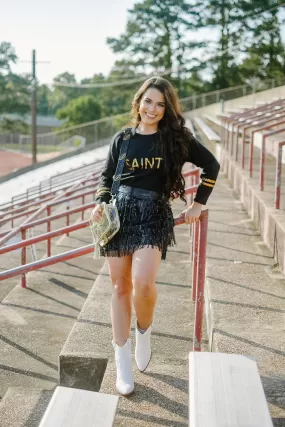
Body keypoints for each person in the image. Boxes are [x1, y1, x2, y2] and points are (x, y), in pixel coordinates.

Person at [91, 76, 220, 396]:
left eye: (160, 104)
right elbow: (106, 179)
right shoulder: (122, 138)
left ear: (167, 108)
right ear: (138, 102)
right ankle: (122, 364)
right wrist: (99, 203)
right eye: (148, 101)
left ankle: (143, 331)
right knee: (120, 287)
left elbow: (211, 166)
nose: (153, 108)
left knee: (144, 284)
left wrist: (197, 204)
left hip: (153, 215)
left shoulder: (175, 138)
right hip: (119, 217)